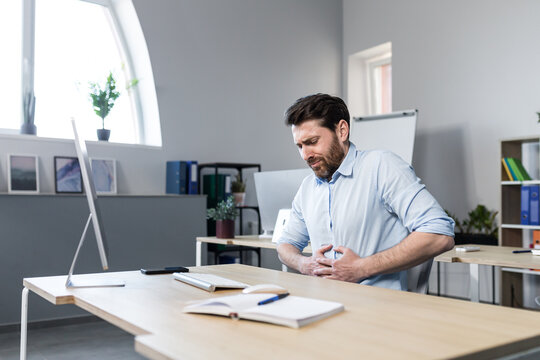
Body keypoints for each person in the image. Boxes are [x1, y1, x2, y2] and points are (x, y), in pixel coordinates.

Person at [276, 93, 454, 290]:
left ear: (342, 131)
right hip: (327, 305)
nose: (305, 155)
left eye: (312, 142)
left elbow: (439, 234)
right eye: (299, 146)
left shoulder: (381, 166)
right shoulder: (307, 187)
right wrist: (303, 264)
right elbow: (285, 245)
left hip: (381, 310)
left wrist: (361, 268)